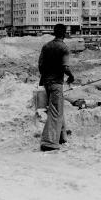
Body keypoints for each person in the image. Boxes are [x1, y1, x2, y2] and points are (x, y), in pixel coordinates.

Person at [38, 23, 74, 151]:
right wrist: (71, 76)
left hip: (46, 83)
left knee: (56, 108)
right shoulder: (63, 48)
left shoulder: (46, 46)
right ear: (64, 34)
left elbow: (40, 65)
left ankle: (61, 136)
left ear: (54, 32)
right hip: (56, 83)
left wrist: (46, 77)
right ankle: (49, 142)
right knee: (55, 111)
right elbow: (65, 67)